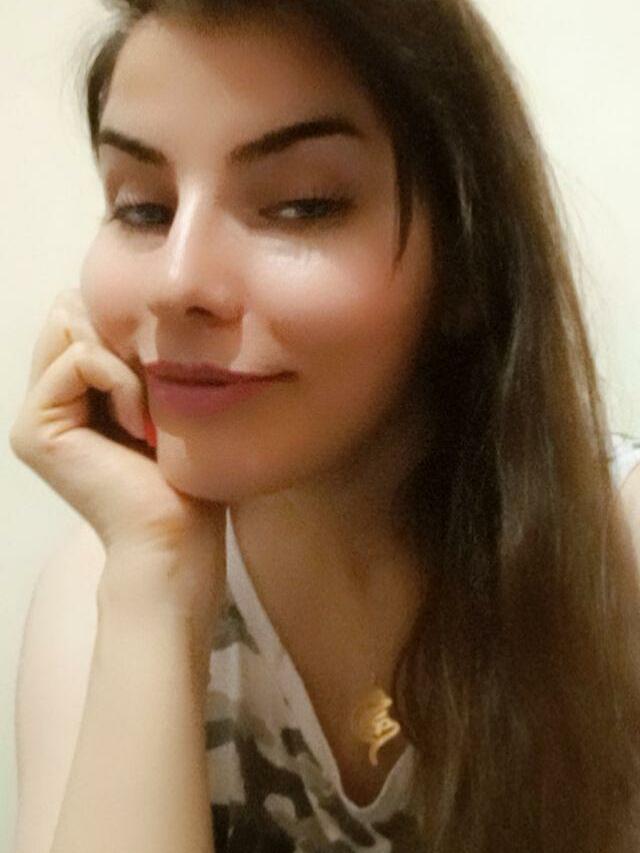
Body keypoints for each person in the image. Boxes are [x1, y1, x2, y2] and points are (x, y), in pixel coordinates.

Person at [9, 0, 640, 851]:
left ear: (468, 262)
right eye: (143, 208)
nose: (178, 279)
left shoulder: (618, 562)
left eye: (301, 204)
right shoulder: (104, 596)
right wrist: (155, 581)